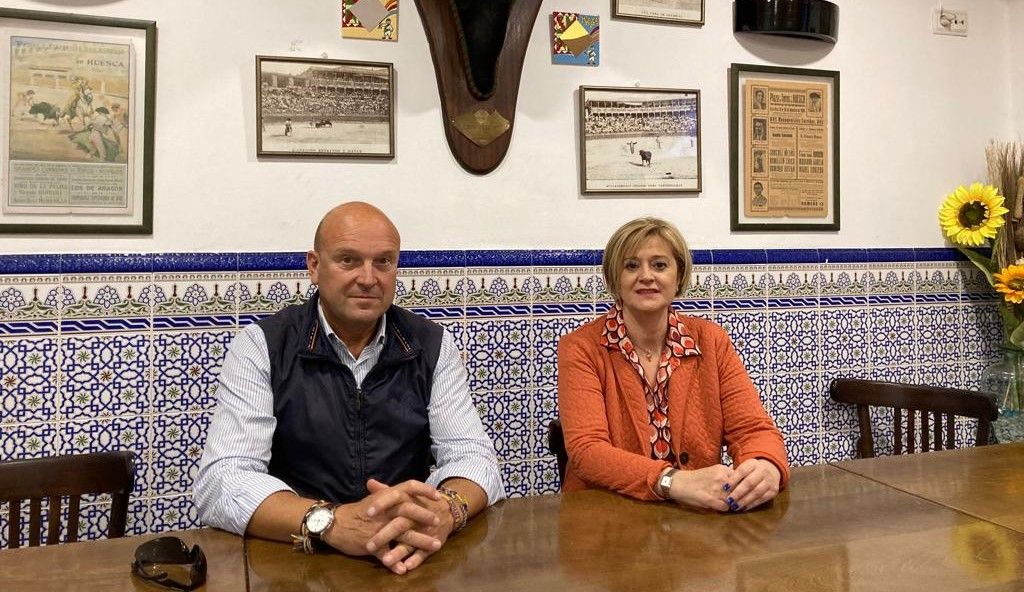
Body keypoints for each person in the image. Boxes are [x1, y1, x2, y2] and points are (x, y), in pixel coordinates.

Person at [195, 201, 504, 575]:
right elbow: (222, 481)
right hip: (295, 563)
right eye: (348, 260)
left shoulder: (432, 346)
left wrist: (446, 509)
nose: (369, 277)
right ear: (314, 266)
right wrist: (332, 522)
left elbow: (475, 457)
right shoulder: (263, 346)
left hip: (405, 560)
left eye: (384, 262)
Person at [556, 217, 788, 513]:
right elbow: (587, 452)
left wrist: (766, 466)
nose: (646, 276)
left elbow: (754, 429)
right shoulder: (580, 348)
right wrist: (673, 482)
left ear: (678, 277)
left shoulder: (711, 340)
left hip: (696, 522)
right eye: (631, 266)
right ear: (614, 279)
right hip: (608, 521)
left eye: (660, 265)